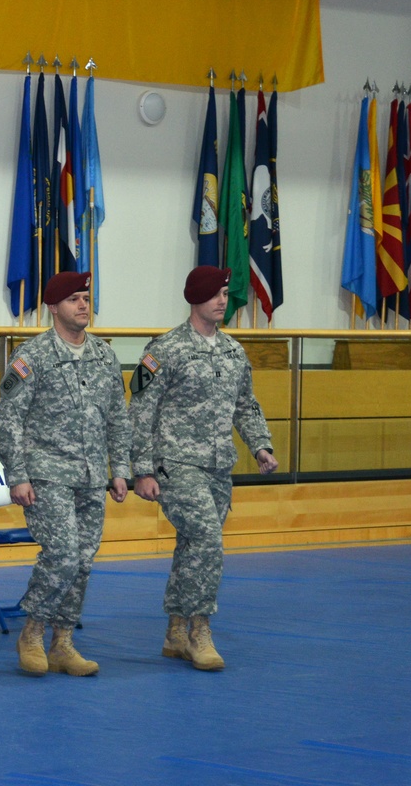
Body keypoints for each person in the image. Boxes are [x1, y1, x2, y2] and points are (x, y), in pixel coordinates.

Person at [129, 265, 278, 671]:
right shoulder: (165, 349)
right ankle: (200, 631)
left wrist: (260, 446)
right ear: (195, 298)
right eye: (214, 294)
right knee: (208, 540)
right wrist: (141, 469)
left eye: (225, 294)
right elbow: (141, 410)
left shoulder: (233, 351)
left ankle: (175, 630)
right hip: (175, 463)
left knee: (194, 545)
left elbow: (245, 404)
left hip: (217, 466)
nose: (221, 301)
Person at [0, 271, 131, 676]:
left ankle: (63, 642)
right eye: (73, 299)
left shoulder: (104, 356)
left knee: (83, 562)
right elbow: (9, 419)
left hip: (91, 476)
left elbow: (118, 419)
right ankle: (32, 633)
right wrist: (17, 474)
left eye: (86, 297)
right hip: (46, 474)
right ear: (53, 308)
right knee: (63, 556)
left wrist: (120, 469)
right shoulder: (31, 357)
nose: (83, 305)